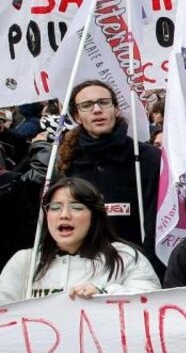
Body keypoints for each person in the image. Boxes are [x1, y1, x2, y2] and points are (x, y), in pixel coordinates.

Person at [21, 80, 164, 275]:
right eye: (87, 105)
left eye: (104, 102)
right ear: (77, 115)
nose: (97, 109)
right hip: (80, 273)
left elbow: (157, 225)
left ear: (115, 108)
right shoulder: (64, 162)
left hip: (135, 271)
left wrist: (149, 271)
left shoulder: (146, 158)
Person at [0, 177, 160, 303]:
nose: (64, 215)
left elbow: (149, 305)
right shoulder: (25, 261)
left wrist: (105, 295)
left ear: (94, 215)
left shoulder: (125, 257)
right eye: (55, 208)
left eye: (76, 207)